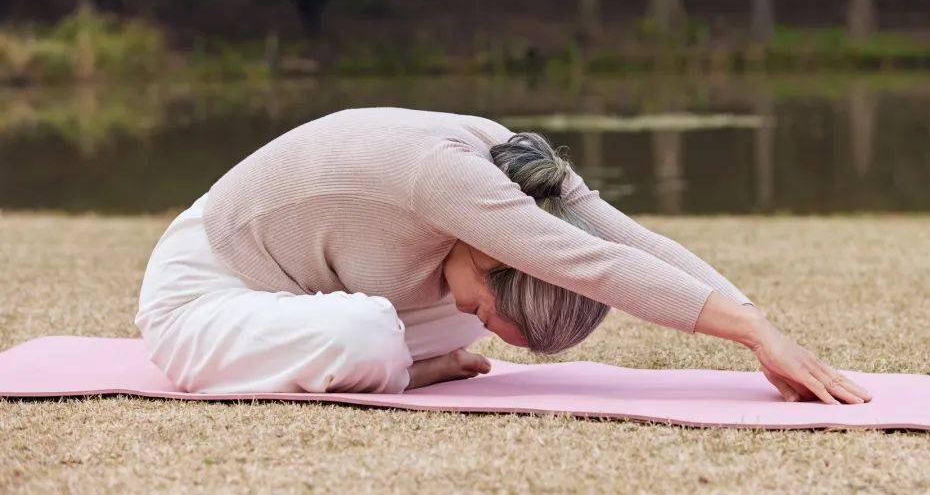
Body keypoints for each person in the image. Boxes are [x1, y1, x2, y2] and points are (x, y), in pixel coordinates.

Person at [135, 107, 871, 403]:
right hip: (211, 285)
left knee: (417, 325)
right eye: (489, 300)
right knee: (362, 335)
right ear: (497, 251)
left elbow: (632, 241)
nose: (473, 314)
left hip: (320, 282)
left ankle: (399, 363)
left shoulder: (526, 172)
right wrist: (750, 337)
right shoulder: (452, 183)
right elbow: (599, 268)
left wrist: (760, 319)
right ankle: (404, 369)